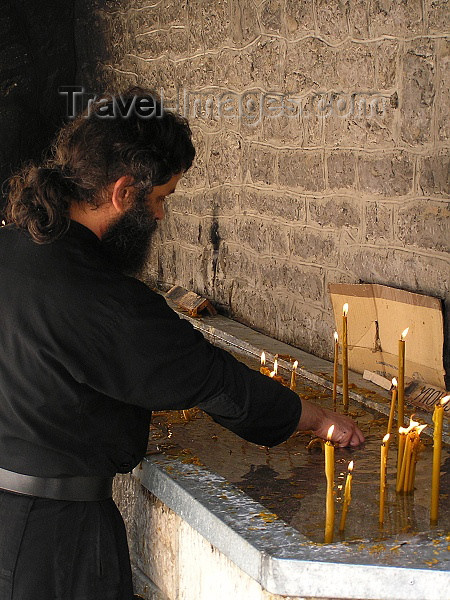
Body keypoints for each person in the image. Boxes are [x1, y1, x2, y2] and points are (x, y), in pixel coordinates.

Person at [0, 87, 364, 600]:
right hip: (57, 543)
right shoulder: (101, 297)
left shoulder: (12, 246)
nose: (162, 217)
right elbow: (213, 379)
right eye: (161, 198)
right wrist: (318, 419)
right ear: (124, 192)